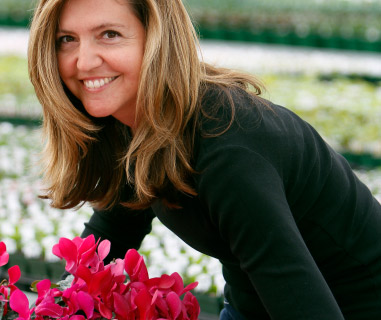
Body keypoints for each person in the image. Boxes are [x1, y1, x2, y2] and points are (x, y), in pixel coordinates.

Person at [27, 0, 381, 319]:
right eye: (66, 40)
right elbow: (113, 234)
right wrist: (58, 308)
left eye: (109, 34)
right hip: (251, 303)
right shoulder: (130, 123)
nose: (84, 61)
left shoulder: (228, 151)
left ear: (158, 41)